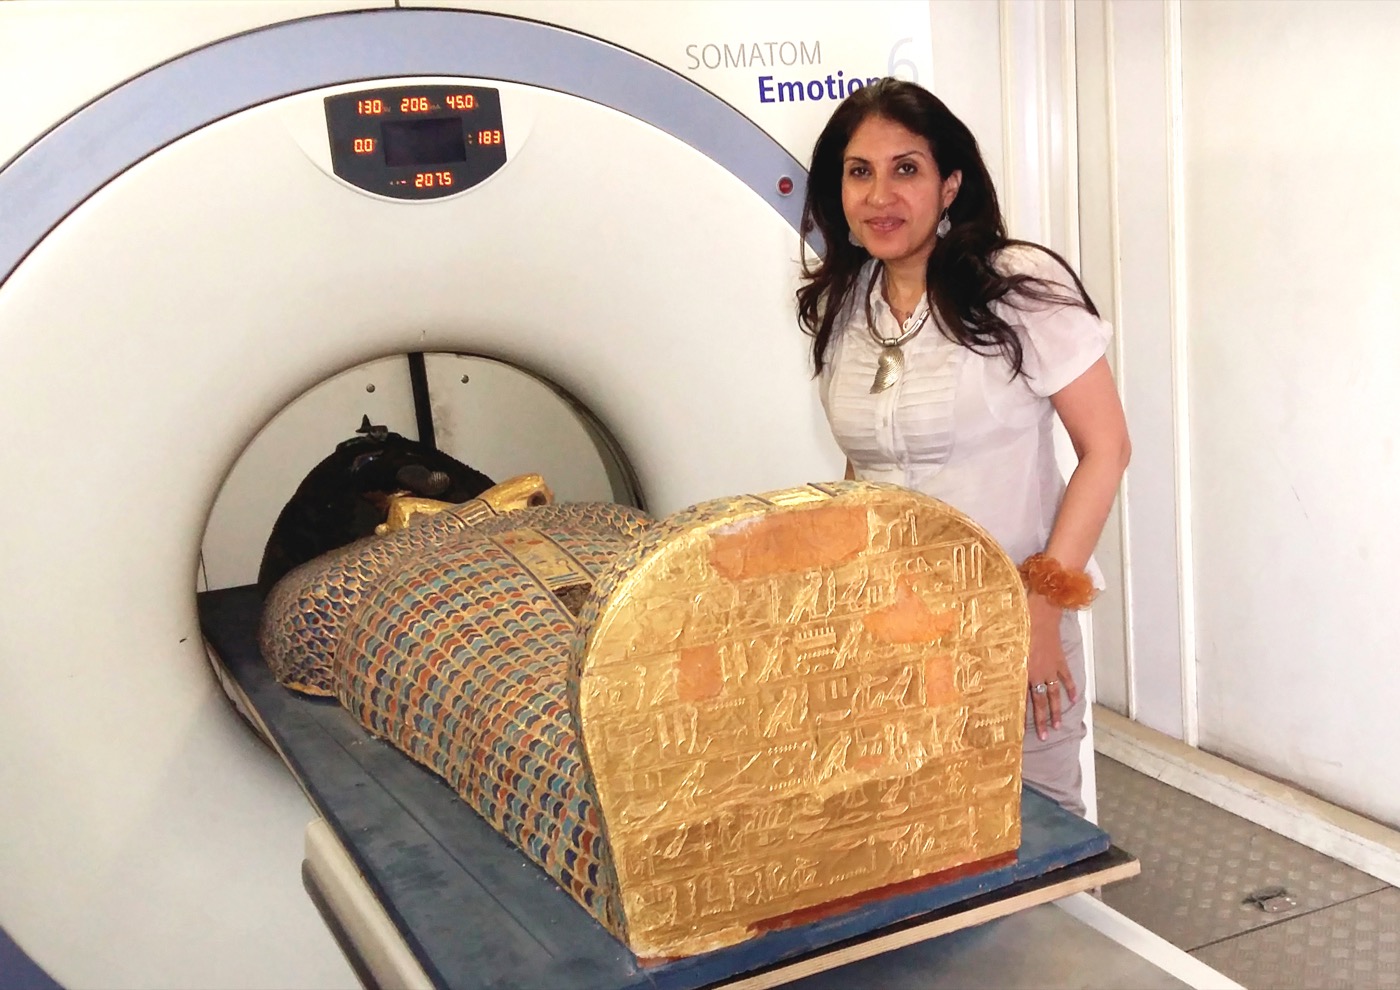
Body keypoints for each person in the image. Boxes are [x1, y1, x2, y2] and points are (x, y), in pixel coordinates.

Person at [797, 78, 1131, 816]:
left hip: (1010, 614)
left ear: (950, 185)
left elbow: (1106, 448)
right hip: (890, 622)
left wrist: (1042, 609)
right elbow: (867, 468)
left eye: (906, 169)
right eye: (860, 172)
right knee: (914, 827)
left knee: (1031, 823)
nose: (881, 194)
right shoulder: (847, 304)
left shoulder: (1016, 288)